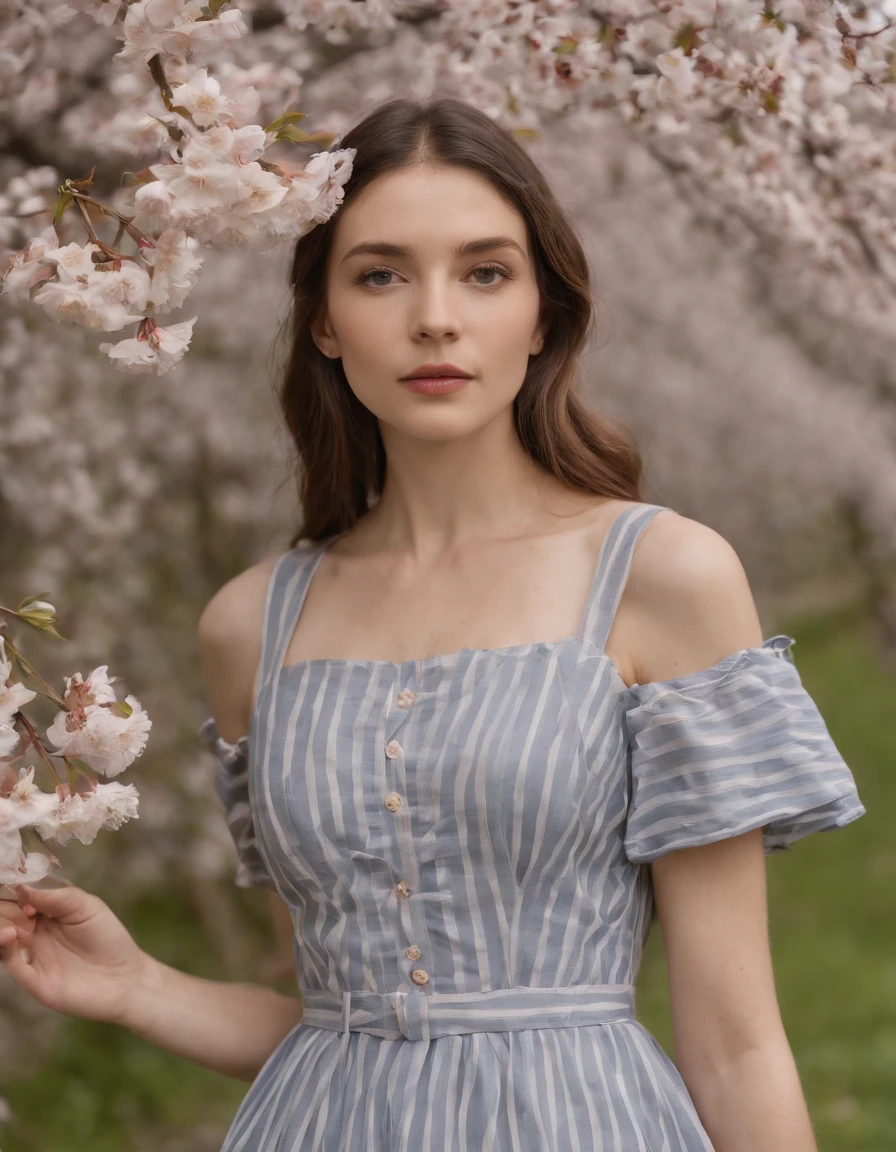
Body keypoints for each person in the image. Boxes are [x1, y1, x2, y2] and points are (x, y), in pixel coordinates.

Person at [0, 95, 866, 1151]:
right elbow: (334, 1017)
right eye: (380, 274)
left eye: (484, 272)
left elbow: (734, 1045)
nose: (434, 317)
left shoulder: (661, 575)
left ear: (542, 311)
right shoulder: (248, 626)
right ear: (322, 317)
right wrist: (139, 987)